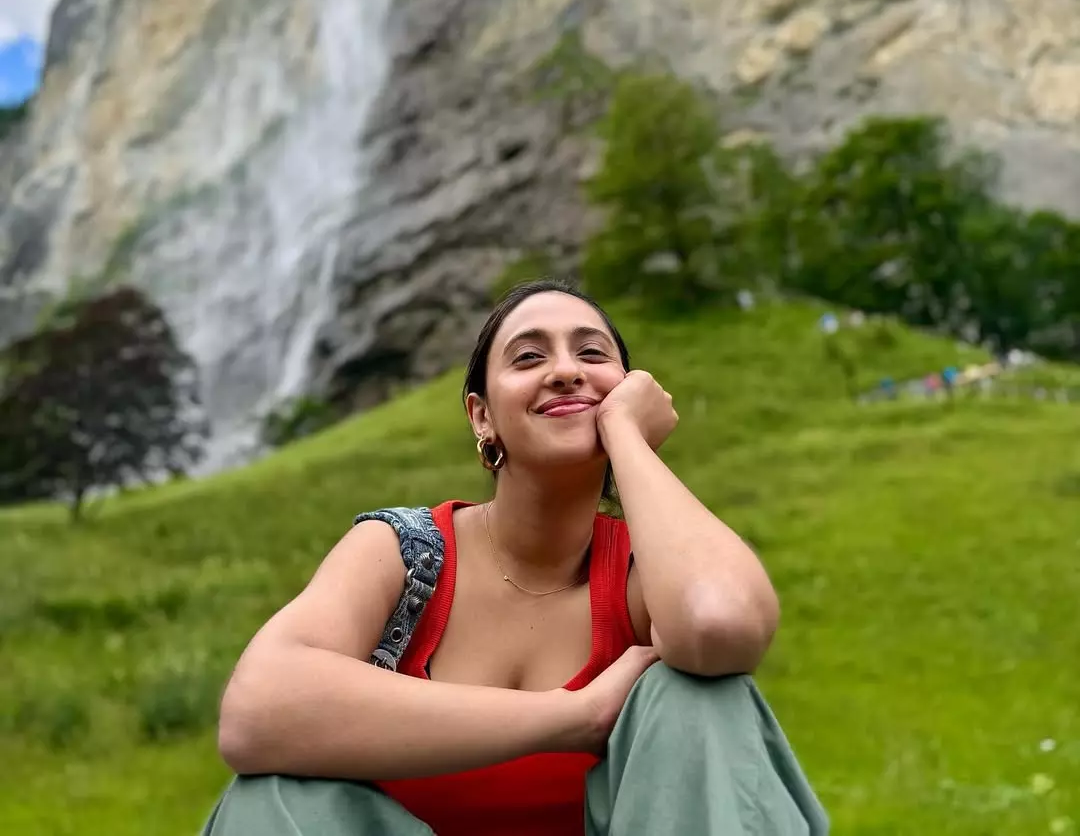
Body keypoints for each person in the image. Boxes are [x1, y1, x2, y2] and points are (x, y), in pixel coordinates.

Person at [203, 280, 828, 835]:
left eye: (592, 355)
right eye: (529, 357)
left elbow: (718, 624)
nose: (566, 372)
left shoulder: (645, 574)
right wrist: (573, 716)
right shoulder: (403, 554)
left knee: (699, 699)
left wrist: (627, 438)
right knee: (275, 792)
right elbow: (257, 713)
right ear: (482, 416)